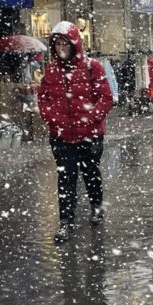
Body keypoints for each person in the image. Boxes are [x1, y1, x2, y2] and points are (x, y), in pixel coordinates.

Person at [38, 21, 113, 243]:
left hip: (89, 135)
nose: (61, 48)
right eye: (57, 43)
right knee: (65, 179)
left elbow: (106, 98)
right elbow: (43, 99)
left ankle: (96, 207)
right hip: (61, 136)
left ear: (73, 45)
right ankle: (66, 223)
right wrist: (52, 118)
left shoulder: (92, 67)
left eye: (65, 43)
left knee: (91, 175)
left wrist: (91, 119)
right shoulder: (51, 69)